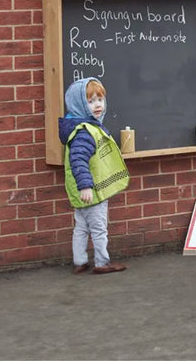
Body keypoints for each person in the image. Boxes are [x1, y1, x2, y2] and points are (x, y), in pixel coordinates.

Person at [58, 77, 129, 274]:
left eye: (100, 99)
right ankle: (101, 262)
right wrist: (86, 186)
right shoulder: (85, 132)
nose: (98, 105)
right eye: (90, 101)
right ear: (79, 104)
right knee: (98, 229)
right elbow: (78, 160)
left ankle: (80, 261)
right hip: (92, 190)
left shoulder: (78, 127)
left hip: (81, 190)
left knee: (81, 227)